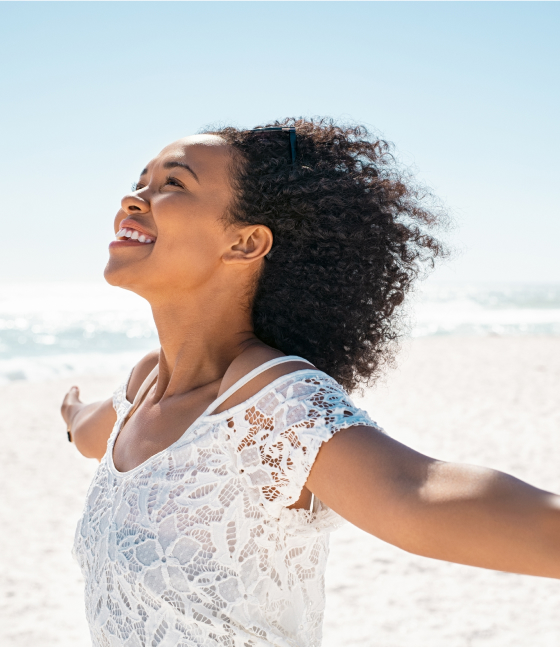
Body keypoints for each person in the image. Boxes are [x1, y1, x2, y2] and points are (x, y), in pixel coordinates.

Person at [61, 119, 560, 647]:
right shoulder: (144, 389)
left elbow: (416, 494)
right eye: (141, 180)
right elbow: (91, 431)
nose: (134, 197)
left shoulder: (267, 401)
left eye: (173, 184)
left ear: (246, 243)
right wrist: (69, 413)